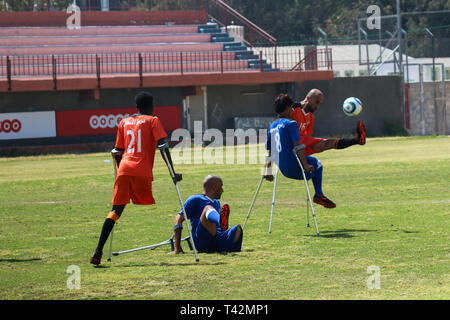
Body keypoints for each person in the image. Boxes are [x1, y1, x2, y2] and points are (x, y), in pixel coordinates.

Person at [90, 91, 181, 266]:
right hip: (142, 170)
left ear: (136, 107)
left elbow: (117, 151)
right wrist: (173, 173)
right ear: (152, 106)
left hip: (124, 169)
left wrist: (121, 168)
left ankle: (98, 251)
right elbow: (163, 146)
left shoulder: (124, 122)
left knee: (116, 211)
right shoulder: (153, 120)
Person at [264, 93, 336, 209]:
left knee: (313, 166)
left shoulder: (272, 126)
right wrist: (305, 164)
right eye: (292, 108)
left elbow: (270, 150)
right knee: (318, 165)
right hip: (295, 167)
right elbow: (298, 145)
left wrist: (268, 171)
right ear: (288, 108)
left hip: (283, 169)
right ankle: (318, 194)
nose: (293, 110)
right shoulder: (291, 123)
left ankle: (319, 195)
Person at [172, 175, 243, 254]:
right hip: (202, 240)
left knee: (238, 229)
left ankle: (222, 247)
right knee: (207, 208)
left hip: (217, 238)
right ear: (213, 187)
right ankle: (219, 221)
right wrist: (177, 247)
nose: (222, 190)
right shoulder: (195, 199)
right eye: (221, 187)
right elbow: (178, 219)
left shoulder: (216, 202)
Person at [291, 88, 366, 156]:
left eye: (319, 104)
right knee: (327, 143)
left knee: (318, 163)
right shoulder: (293, 109)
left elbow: (307, 136)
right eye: (316, 102)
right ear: (308, 98)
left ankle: (357, 140)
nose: (317, 106)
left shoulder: (310, 117)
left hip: (299, 147)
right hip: (290, 145)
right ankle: (357, 140)